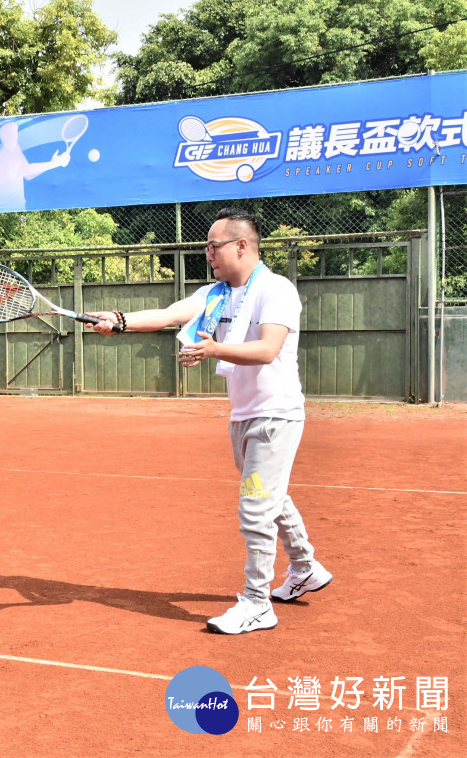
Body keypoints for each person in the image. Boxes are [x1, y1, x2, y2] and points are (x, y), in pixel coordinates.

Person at [88, 208, 331, 635]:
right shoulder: (214, 295)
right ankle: (305, 567)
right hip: (243, 416)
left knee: (255, 508)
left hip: (275, 416)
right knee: (271, 497)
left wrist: (214, 350)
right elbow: (168, 314)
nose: (208, 254)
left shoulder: (276, 289)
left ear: (242, 246)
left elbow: (267, 349)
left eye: (213, 246)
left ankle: (257, 602)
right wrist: (120, 321)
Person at [0, 121, 71, 211]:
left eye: (15, 133)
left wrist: (53, 162)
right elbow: (26, 170)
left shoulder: (16, 149)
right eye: (11, 134)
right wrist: (55, 163)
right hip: (7, 210)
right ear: (3, 137)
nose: (14, 137)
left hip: (20, 207)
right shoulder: (3, 157)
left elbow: (29, 175)